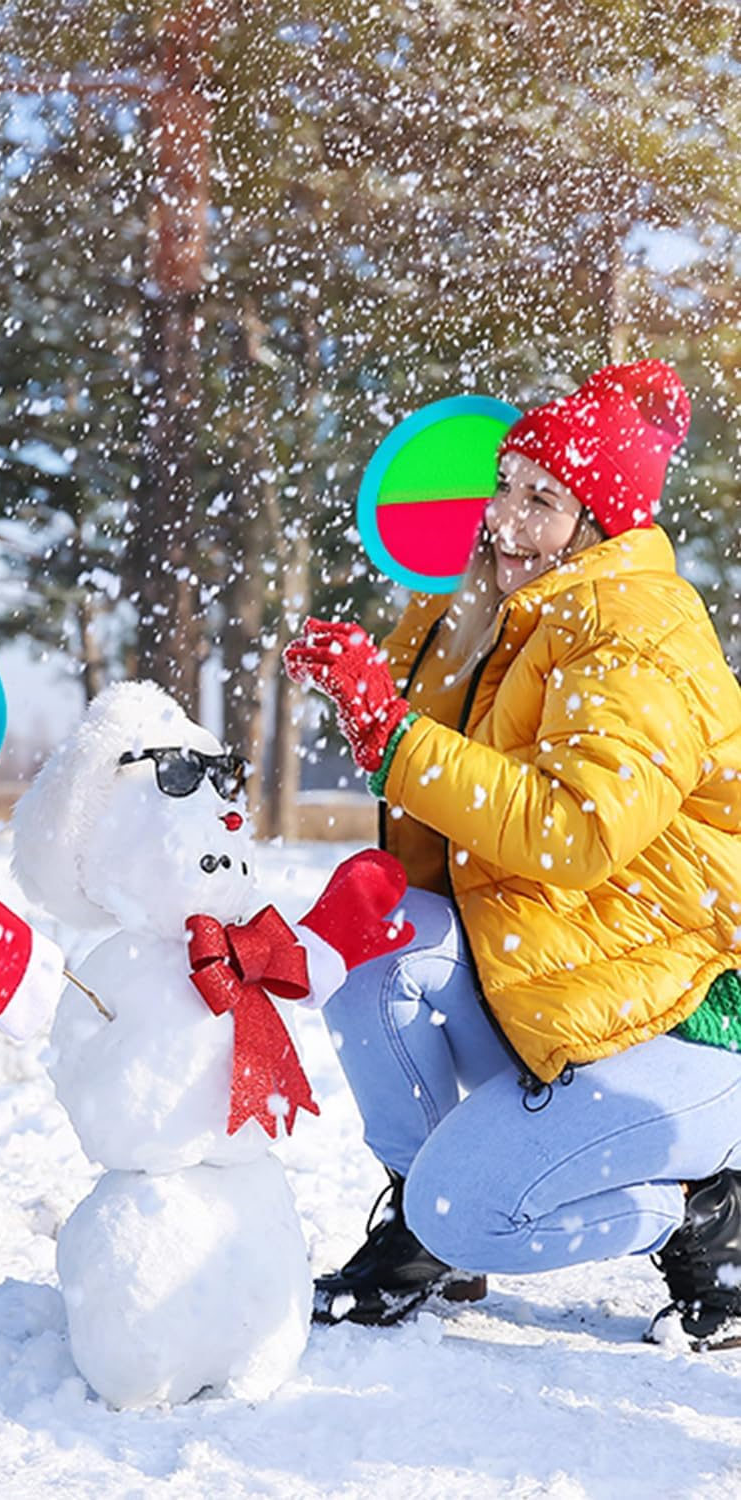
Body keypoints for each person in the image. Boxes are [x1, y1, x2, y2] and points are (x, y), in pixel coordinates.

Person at [283, 360, 741, 1351]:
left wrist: (395, 738)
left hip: (680, 1017)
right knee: (374, 949)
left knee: (469, 1209)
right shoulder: (535, 617)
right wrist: (394, 690)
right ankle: (423, 1234)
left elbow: (574, 830)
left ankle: (704, 1200)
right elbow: (447, 833)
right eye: (503, 487)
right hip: (579, 981)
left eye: (541, 499)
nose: (503, 518)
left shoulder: (636, 633)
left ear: (599, 524)